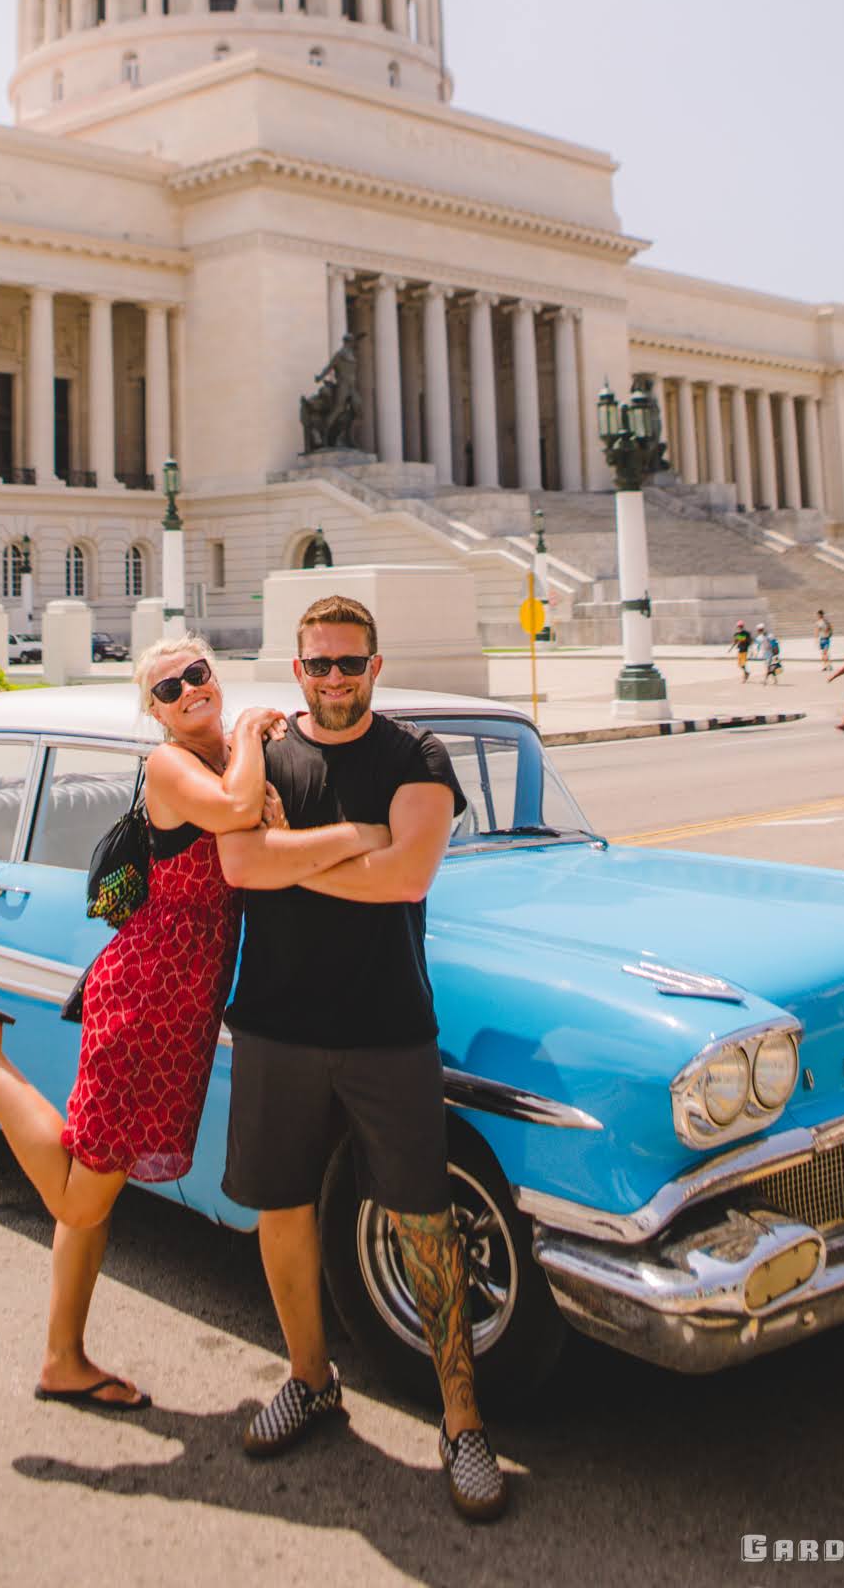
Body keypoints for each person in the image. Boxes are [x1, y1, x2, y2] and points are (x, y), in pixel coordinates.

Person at [0, 636, 384, 1411]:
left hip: (181, 1008)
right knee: (80, 1193)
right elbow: (235, 811)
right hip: (146, 1001)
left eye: (198, 673)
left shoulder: (229, 755)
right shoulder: (173, 766)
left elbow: (259, 836)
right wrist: (258, 731)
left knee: (99, 1185)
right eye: (169, 688)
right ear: (155, 711)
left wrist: (257, 758)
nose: (189, 690)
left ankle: (64, 1357)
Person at [214, 593, 509, 1525]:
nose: (333, 679)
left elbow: (409, 877)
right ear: (295, 668)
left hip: (388, 1026)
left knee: (424, 1221)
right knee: (283, 1211)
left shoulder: (417, 756)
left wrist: (287, 855)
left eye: (349, 663)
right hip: (275, 1021)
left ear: (376, 667)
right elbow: (239, 869)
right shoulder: (266, 751)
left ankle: (463, 1421)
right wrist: (350, 841)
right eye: (317, 664)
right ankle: (309, 1377)